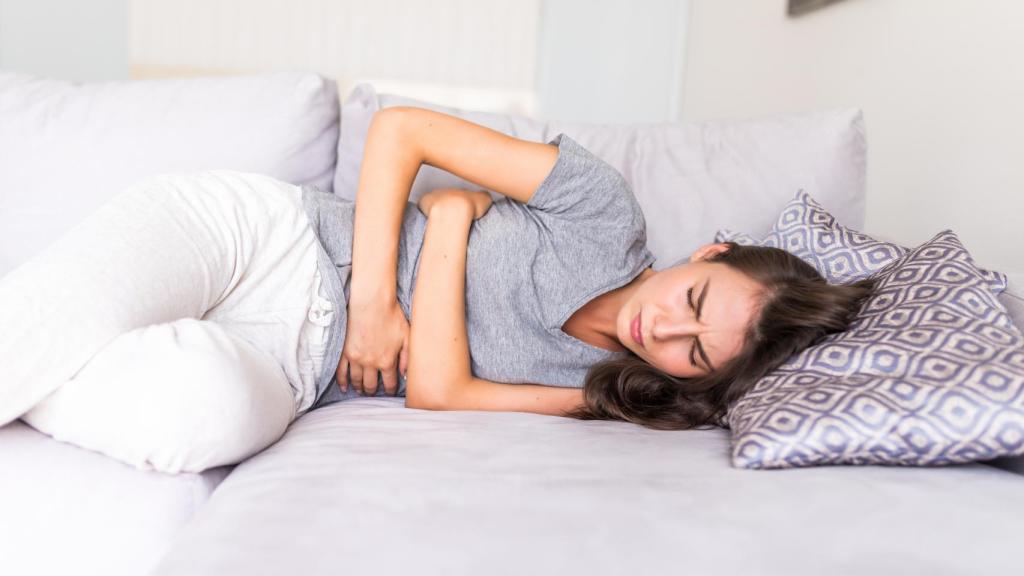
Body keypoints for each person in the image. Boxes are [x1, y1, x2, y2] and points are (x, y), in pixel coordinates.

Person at [0, 107, 872, 474]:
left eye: (693, 354)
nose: (661, 332)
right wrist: (378, 301)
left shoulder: (605, 392)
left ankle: (63, 333)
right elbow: (401, 128)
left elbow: (439, 391)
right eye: (692, 301)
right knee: (32, 329)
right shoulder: (603, 211)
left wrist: (452, 224)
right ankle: (59, 323)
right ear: (710, 250)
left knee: (207, 422)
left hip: (292, 367)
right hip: (261, 240)